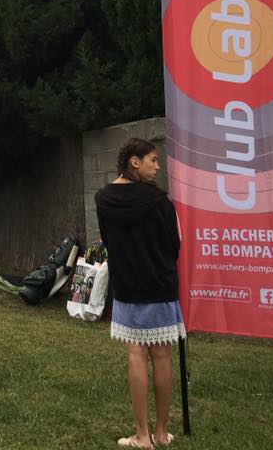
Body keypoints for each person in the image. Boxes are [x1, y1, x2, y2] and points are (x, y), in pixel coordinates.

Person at [95, 138, 183, 449]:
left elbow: (107, 240)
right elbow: (174, 244)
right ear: (135, 161)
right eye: (153, 160)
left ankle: (142, 435)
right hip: (161, 286)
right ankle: (160, 432)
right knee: (161, 355)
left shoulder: (103, 200)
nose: (158, 167)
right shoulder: (160, 201)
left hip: (128, 287)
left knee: (136, 353)